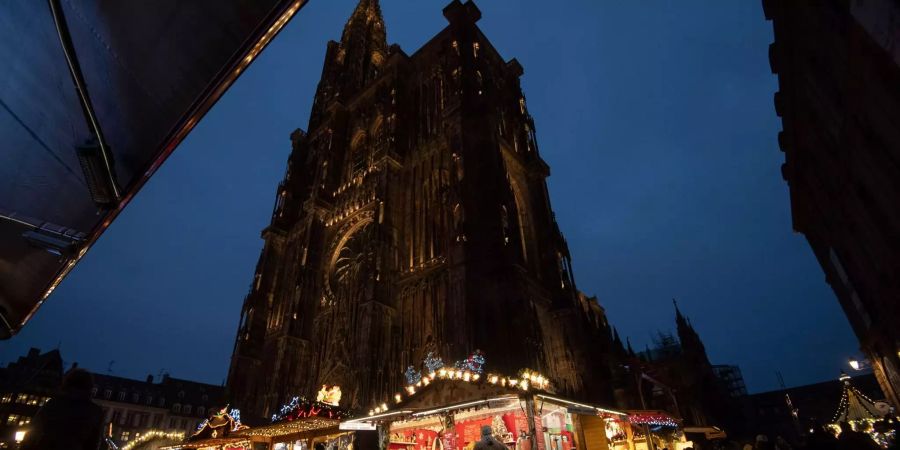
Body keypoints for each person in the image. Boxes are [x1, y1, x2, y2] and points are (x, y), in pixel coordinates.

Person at [20, 368, 104, 450]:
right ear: (89, 387)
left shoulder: (53, 404)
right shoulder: (95, 412)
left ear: (67, 383)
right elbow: (93, 443)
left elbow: (32, 434)